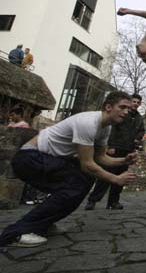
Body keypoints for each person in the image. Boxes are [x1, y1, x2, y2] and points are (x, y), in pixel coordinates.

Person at [0, 91, 137, 249]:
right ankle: (15, 233)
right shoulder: (88, 122)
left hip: (48, 160)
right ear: (108, 107)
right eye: (123, 107)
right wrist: (116, 179)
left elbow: (100, 158)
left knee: (84, 181)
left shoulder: (104, 128)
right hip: (29, 159)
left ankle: (43, 224)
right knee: (76, 183)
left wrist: (123, 160)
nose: (127, 112)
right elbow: (87, 164)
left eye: (128, 109)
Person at [85, 93, 145, 210]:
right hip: (116, 147)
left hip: (128, 149)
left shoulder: (139, 118)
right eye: (134, 101)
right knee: (105, 177)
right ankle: (93, 200)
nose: (136, 104)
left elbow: (141, 130)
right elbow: (112, 129)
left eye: (138, 102)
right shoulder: (121, 115)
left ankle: (113, 202)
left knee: (122, 177)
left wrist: (138, 138)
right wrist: (110, 145)